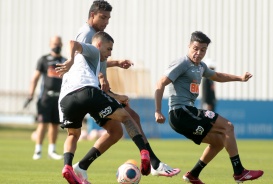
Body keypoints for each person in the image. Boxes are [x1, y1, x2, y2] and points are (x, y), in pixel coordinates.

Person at [56, 0, 180, 181]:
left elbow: (95, 57)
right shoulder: (88, 33)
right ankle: (153, 162)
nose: (106, 21)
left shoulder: (95, 37)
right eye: (103, 17)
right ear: (92, 15)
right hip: (88, 88)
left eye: (108, 18)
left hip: (69, 95)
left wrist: (115, 64)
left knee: (115, 131)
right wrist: (100, 77)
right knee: (130, 116)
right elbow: (83, 56)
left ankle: (80, 167)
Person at [154, 31, 264, 184]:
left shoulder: (200, 67)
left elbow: (217, 76)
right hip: (181, 112)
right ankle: (239, 172)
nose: (198, 53)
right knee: (228, 127)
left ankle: (193, 174)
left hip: (185, 115)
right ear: (189, 46)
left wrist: (240, 78)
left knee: (219, 141)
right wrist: (158, 110)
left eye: (203, 50)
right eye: (195, 48)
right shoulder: (182, 63)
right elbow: (160, 83)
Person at [59, 32, 151, 184]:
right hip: (87, 92)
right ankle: (144, 151)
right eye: (109, 49)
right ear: (99, 45)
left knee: (75, 135)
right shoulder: (93, 51)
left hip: (65, 100)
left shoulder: (87, 64)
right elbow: (72, 43)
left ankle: (70, 167)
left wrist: (117, 95)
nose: (110, 53)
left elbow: (102, 82)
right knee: (126, 117)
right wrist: (70, 59)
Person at [26, 36, 66, 160]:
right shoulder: (43, 60)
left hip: (59, 98)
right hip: (45, 98)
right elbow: (35, 78)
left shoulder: (65, 61)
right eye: (55, 43)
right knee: (43, 123)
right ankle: (38, 150)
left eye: (59, 44)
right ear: (50, 44)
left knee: (55, 124)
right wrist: (31, 95)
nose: (57, 46)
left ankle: (52, 150)